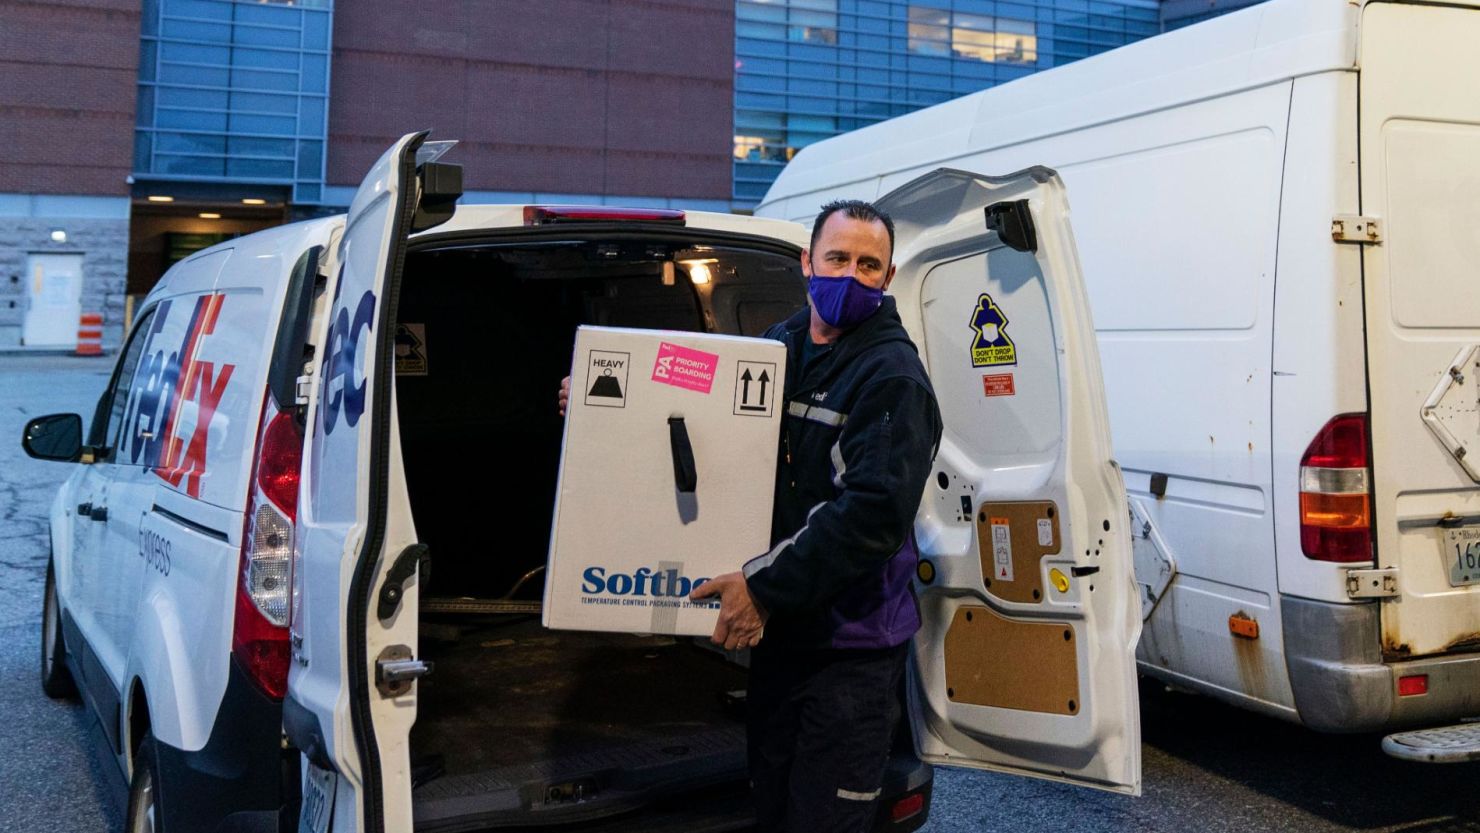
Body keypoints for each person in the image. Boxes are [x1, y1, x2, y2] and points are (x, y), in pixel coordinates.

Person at [558, 200, 941, 832]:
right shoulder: (780, 347)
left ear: (888, 277)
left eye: (868, 265)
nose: (850, 275)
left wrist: (759, 587)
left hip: (849, 655)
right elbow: (695, 410)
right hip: (785, 639)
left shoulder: (891, 377)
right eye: (837, 258)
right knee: (771, 808)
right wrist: (603, 407)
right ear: (806, 263)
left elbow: (871, 515)